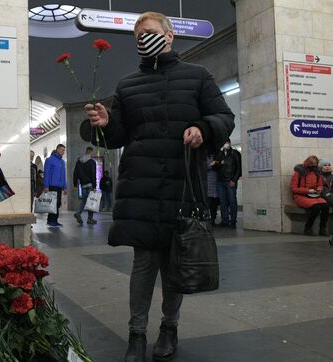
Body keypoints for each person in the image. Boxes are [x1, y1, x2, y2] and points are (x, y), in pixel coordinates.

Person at [84, 11, 234, 362]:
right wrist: (104, 124)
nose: (143, 40)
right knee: (143, 264)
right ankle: (136, 333)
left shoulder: (198, 76)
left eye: (149, 33)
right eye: (138, 36)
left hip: (182, 185)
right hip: (142, 187)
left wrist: (203, 128)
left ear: (169, 36)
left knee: (174, 264)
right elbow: (119, 134)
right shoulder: (127, 84)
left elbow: (224, 117)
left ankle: (169, 327)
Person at [291, 156, 328, 236]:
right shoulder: (299, 173)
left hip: (314, 195)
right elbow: (294, 189)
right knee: (316, 207)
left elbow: (320, 184)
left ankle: (322, 228)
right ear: (308, 164)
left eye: (315, 165)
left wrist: (319, 189)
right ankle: (308, 227)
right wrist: (307, 190)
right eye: (312, 165)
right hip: (300, 196)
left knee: (325, 206)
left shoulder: (317, 173)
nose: (314, 167)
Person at [214, 139, 242, 228]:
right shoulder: (220, 154)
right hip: (220, 181)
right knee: (222, 202)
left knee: (232, 201)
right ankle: (224, 221)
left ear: (229, 143)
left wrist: (234, 180)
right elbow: (214, 166)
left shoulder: (235, 153)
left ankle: (233, 221)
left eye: (225, 143)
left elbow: (239, 168)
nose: (224, 145)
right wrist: (220, 155)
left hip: (230, 181)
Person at [43, 144, 67, 227]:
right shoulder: (50, 160)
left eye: (64, 150)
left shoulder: (62, 162)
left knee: (58, 203)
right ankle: (51, 220)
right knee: (53, 204)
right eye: (62, 150)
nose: (63, 152)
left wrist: (65, 186)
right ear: (57, 149)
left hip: (59, 186)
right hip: (52, 185)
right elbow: (46, 173)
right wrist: (46, 186)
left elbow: (64, 175)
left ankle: (53, 220)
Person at [73, 147, 97, 225]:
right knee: (91, 202)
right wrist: (94, 185)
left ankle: (78, 213)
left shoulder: (79, 162)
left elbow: (75, 173)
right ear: (90, 152)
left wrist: (75, 184)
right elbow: (93, 174)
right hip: (90, 184)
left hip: (83, 185)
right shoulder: (92, 162)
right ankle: (90, 219)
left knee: (83, 201)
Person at [207, 154, 220, 226]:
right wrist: (211, 164)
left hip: (216, 184)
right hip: (208, 184)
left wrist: (218, 164)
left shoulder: (217, 156)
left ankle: (213, 220)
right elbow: (204, 167)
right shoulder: (206, 157)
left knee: (214, 206)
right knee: (208, 204)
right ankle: (206, 220)